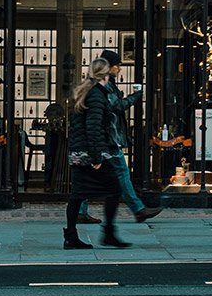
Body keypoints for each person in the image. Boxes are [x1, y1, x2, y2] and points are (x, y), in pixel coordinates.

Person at [63, 49, 161, 248]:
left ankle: (75, 236)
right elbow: (94, 126)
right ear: (105, 74)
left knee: (79, 194)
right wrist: (97, 156)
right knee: (113, 189)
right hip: (91, 153)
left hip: (81, 151)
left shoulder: (88, 90)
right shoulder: (97, 95)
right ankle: (105, 234)